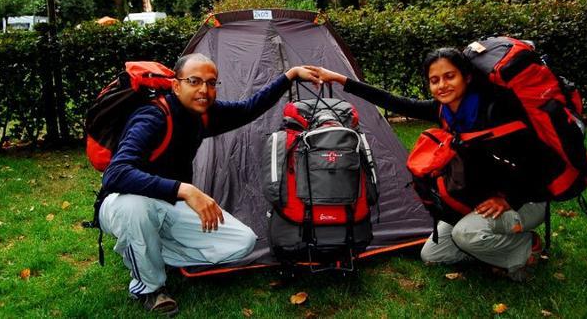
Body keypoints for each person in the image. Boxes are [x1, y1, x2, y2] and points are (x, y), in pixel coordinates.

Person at [98, 53, 320, 314]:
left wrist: (290, 75)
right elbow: (116, 174)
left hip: (168, 204)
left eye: (212, 82)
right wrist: (184, 189)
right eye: (194, 81)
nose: (204, 89)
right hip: (123, 203)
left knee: (243, 242)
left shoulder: (202, 114)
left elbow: (249, 108)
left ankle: (148, 253)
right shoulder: (152, 117)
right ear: (176, 84)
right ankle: (149, 287)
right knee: (136, 209)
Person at [306, 48, 549, 281]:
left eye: (449, 76)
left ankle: (526, 245)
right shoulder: (445, 111)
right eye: (435, 80)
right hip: (479, 199)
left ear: (467, 77)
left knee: (464, 235)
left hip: (525, 199)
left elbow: (538, 163)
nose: (442, 85)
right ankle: (488, 247)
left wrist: (507, 198)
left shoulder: (494, 112)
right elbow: (393, 101)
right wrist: (339, 79)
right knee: (433, 254)